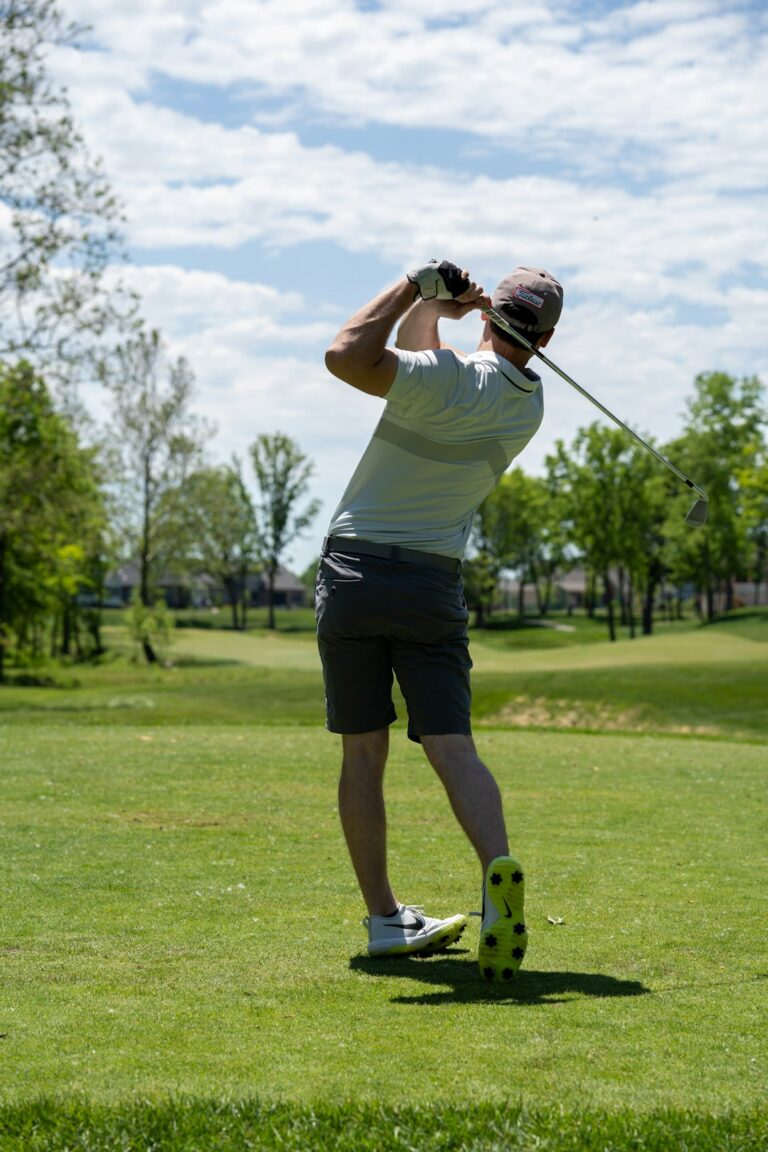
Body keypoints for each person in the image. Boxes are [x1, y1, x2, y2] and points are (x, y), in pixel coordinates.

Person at [316, 259, 563, 980]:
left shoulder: (443, 379)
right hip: (431, 584)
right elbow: (436, 362)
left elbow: (345, 355)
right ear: (544, 339)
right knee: (453, 747)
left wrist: (410, 284)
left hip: (356, 573)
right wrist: (439, 310)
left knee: (364, 753)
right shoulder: (527, 404)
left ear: (491, 317)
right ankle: (496, 875)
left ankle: (385, 920)